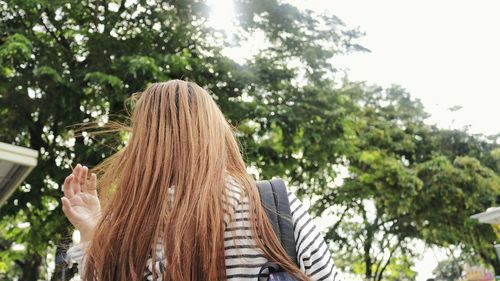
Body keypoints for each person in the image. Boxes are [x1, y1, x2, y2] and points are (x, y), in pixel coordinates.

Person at [61, 80, 340, 281]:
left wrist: (93, 234)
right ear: (214, 134)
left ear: (142, 144)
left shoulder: (125, 232)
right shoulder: (273, 208)